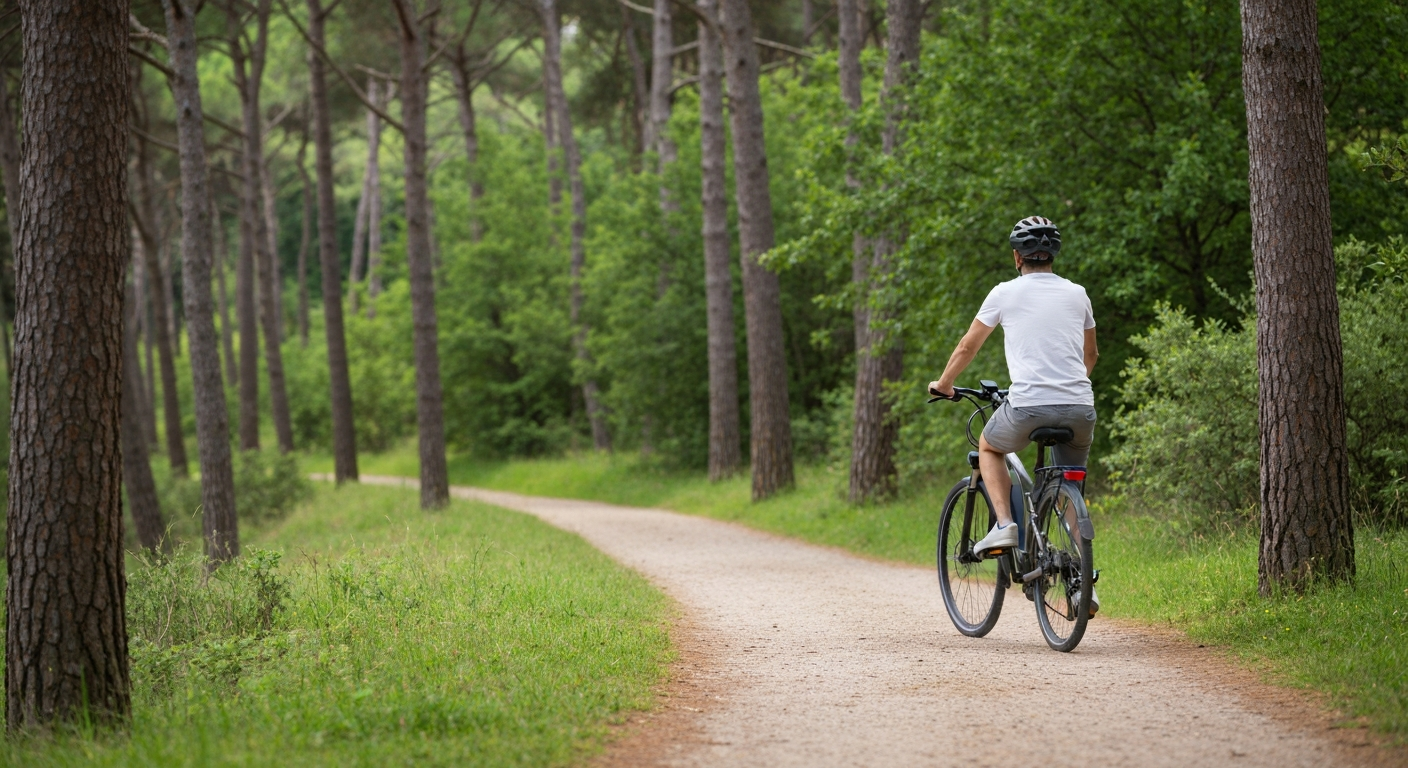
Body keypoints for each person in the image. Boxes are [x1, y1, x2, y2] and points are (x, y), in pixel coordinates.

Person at [927, 216, 1100, 614]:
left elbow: (969, 346)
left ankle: (1004, 524)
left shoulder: (1005, 292)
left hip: (1027, 405)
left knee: (989, 446)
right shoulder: (1078, 294)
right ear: (1053, 255)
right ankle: (1082, 582)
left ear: (1016, 257)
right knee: (1067, 485)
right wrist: (1066, 388)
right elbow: (1090, 356)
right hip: (1079, 407)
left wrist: (945, 383)